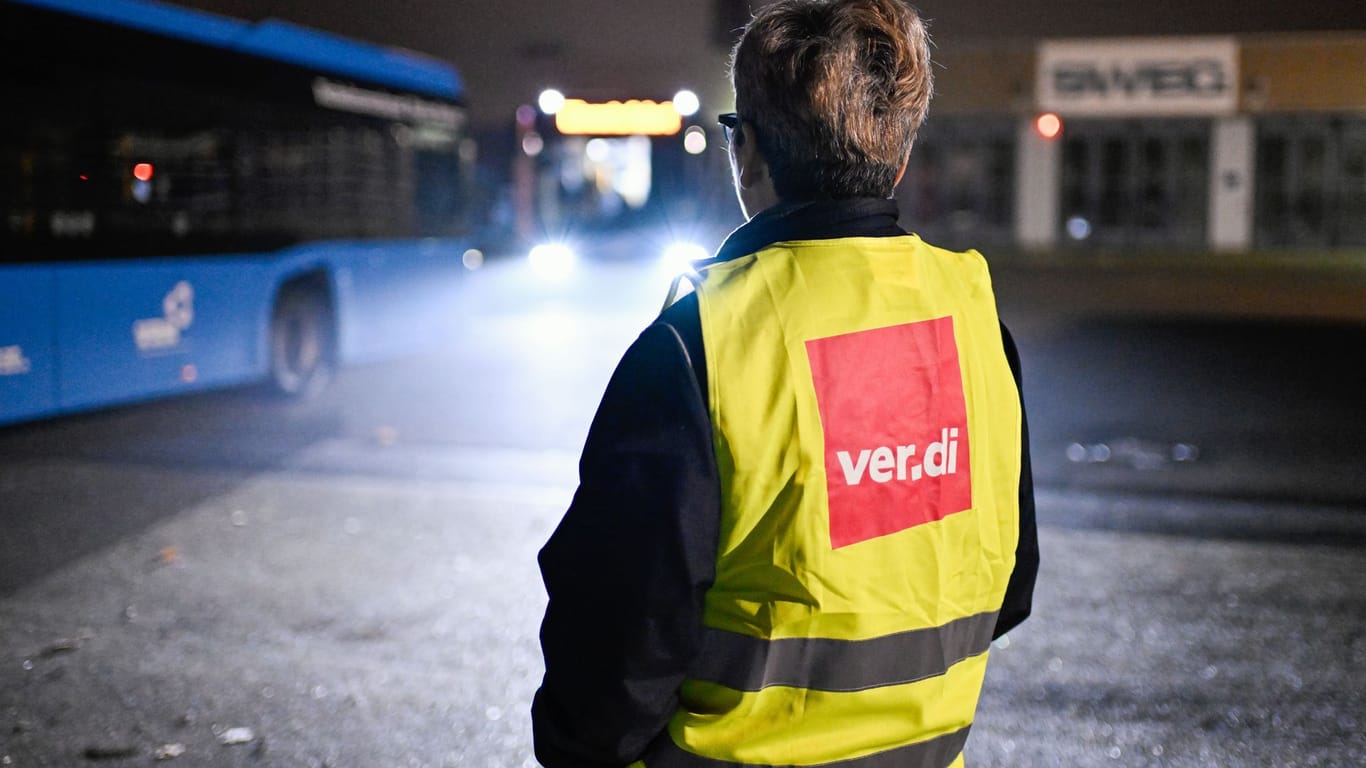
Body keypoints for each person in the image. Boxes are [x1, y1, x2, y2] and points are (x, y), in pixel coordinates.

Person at [531, 1, 1038, 766]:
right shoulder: (976, 321)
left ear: (749, 152)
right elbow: (1011, 588)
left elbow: (614, 653)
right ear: (899, 157)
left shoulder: (699, 344)